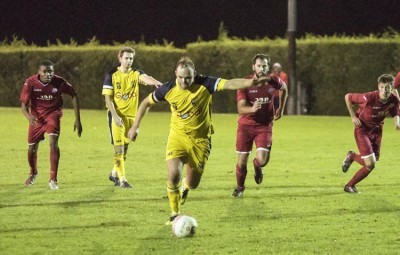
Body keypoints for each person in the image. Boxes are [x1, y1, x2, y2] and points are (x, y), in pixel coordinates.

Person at [127, 56, 269, 224]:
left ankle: (186, 186)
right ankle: (174, 214)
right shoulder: (168, 89)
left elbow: (230, 83)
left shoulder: (206, 83)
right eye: (180, 77)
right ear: (175, 74)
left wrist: (251, 82)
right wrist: (135, 126)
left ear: (195, 74)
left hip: (201, 141)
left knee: (193, 183)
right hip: (177, 137)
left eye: (188, 77)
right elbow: (145, 103)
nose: (184, 81)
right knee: (173, 174)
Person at [102, 46, 162, 188]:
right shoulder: (111, 74)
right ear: (120, 58)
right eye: (126, 58)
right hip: (116, 117)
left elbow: (146, 78)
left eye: (131, 58)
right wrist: (115, 116)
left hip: (132, 118)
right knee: (118, 149)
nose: (129, 61)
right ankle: (122, 180)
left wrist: (155, 83)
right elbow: (107, 99)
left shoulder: (135, 73)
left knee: (126, 148)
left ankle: (114, 173)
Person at [20, 60, 83, 190]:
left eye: (50, 71)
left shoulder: (59, 82)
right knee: (32, 149)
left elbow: (74, 95)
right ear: (39, 72)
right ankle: (33, 173)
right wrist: (29, 117)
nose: (48, 74)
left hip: (53, 114)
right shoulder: (30, 82)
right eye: (45, 71)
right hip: (37, 118)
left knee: (53, 141)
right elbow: (23, 105)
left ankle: (53, 179)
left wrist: (78, 120)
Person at [232, 54, 288, 197]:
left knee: (262, 161)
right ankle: (240, 188)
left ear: (268, 67)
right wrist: (252, 109)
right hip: (245, 126)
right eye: (259, 65)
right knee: (242, 161)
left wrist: (280, 109)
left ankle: (257, 166)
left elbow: (285, 88)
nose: (261, 68)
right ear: (253, 67)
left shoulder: (273, 81)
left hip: (264, 126)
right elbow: (240, 108)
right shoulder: (245, 83)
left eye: (264, 66)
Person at [342, 74, 400, 193]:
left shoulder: (394, 99)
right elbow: (348, 97)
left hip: (377, 131)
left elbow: (394, 110)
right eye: (382, 87)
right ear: (378, 87)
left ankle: (352, 156)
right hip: (362, 129)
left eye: (387, 87)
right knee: (370, 164)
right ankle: (349, 186)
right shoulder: (368, 97)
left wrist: (397, 122)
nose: (384, 90)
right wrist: (353, 116)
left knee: (372, 161)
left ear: (392, 87)